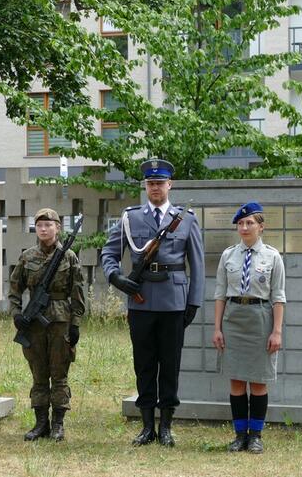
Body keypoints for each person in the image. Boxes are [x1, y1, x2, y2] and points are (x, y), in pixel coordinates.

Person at [101, 159, 205, 447]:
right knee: (144, 364)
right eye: (150, 183)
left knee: (170, 365)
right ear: (145, 186)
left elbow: (196, 264)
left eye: (160, 183)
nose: (155, 187)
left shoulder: (186, 218)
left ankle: (167, 427)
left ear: (169, 185)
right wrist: (116, 278)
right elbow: (108, 253)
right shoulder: (131, 217)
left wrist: (193, 301)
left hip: (174, 302)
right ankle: (147, 427)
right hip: (141, 300)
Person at [212, 202, 285, 454]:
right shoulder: (228, 255)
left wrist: (276, 331)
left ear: (261, 227)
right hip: (234, 319)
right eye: (241, 223)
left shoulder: (273, 257)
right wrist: (217, 328)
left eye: (249, 223)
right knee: (236, 380)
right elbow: (220, 294)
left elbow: (278, 297)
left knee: (258, 381)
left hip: (260, 318)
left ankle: (256, 435)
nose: (244, 227)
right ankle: (239, 435)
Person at [8, 208, 85, 442]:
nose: (43, 229)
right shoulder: (27, 256)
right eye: (39, 225)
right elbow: (14, 289)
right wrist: (17, 314)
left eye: (48, 225)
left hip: (60, 321)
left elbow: (78, 292)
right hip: (33, 324)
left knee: (59, 372)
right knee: (39, 373)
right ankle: (41, 423)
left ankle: (58, 424)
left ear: (57, 228)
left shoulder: (69, 256)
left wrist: (76, 324)